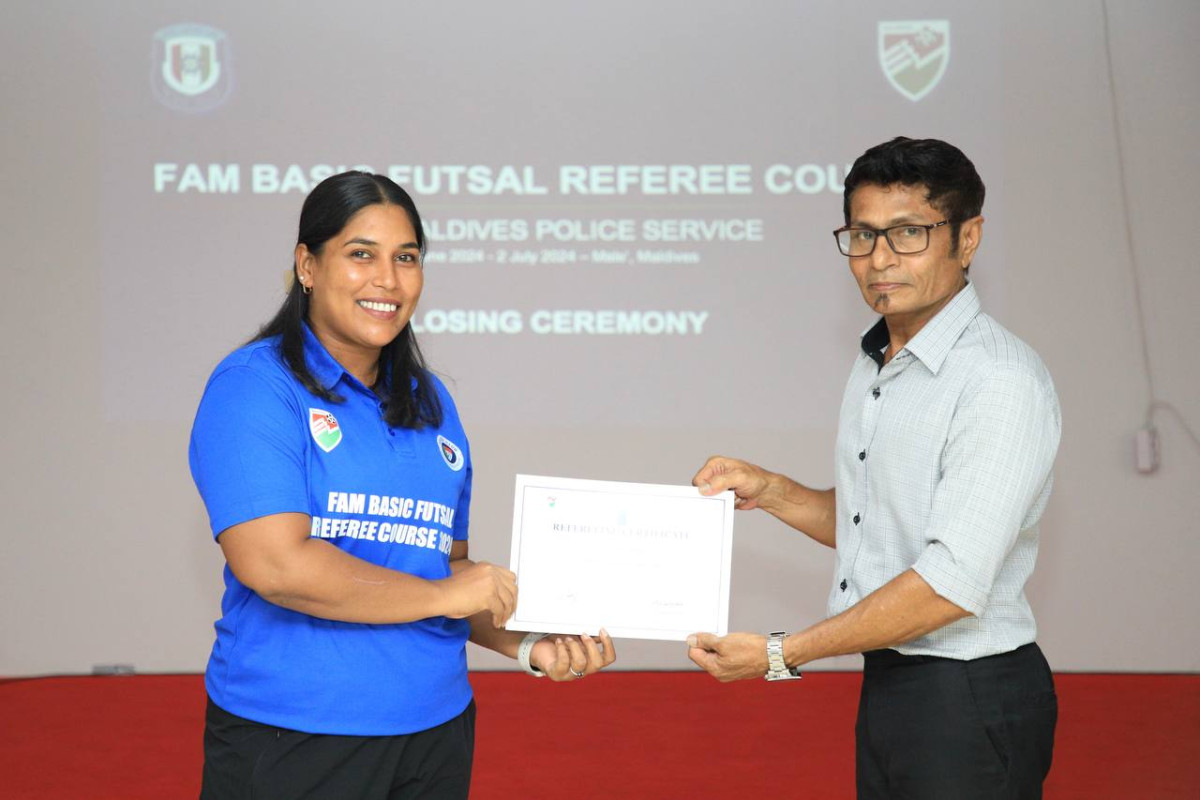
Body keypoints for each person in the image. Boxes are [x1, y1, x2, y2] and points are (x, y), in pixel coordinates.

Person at [189, 171, 615, 799]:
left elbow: (446, 572)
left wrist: (530, 644)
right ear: (307, 265)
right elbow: (276, 566)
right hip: (295, 733)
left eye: (407, 258)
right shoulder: (254, 387)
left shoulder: (430, 400)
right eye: (361, 254)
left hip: (435, 730)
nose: (387, 280)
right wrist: (445, 595)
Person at [687, 137, 1060, 798]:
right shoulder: (879, 361)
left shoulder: (999, 380)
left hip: (969, 692)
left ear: (967, 238)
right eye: (862, 235)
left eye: (908, 233)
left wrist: (780, 653)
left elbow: (950, 582)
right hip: (895, 682)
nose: (879, 259)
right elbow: (877, 523)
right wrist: (771, 490)